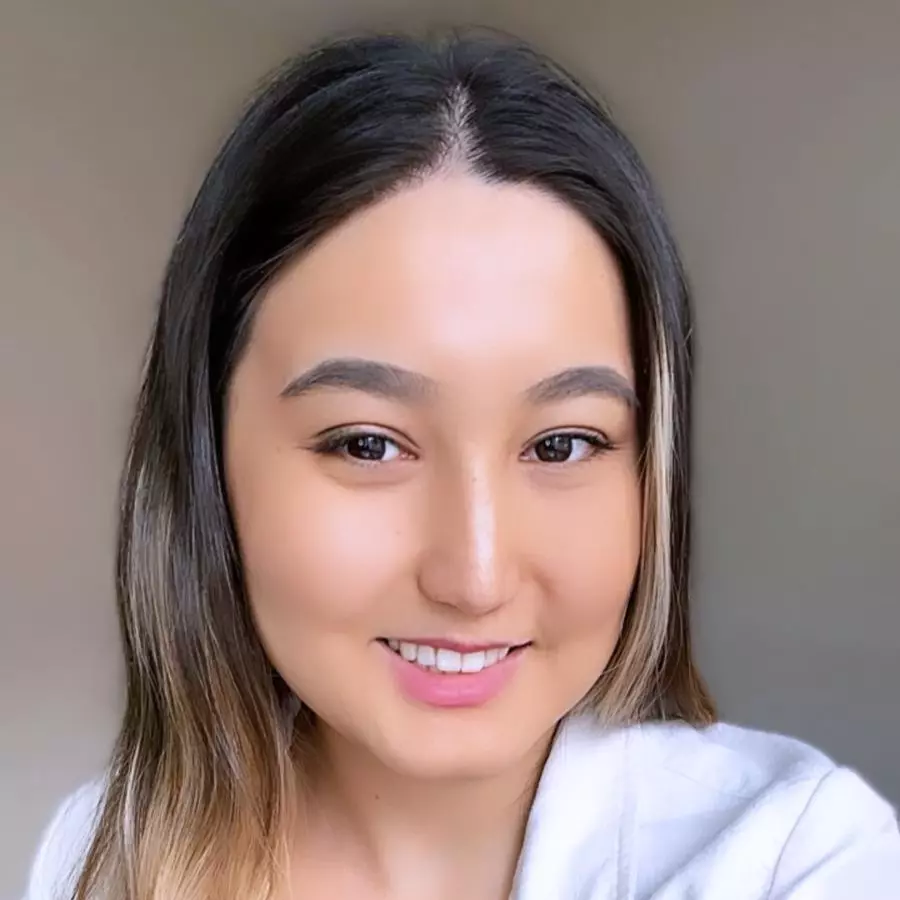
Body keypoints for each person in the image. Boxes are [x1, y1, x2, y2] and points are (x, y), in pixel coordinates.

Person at [25, 28, 900, 900]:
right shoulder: (100, 859)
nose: (475, 578)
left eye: (561, 444)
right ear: (207, 459)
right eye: (368, 444)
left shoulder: (797, 862)